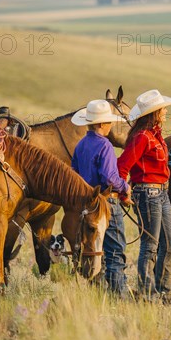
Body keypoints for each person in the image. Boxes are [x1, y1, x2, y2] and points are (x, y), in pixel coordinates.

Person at [117, 89, 171, 298]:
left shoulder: (154, 135)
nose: (165, 112)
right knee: (150, 244)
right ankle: (147, 292)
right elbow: (122, 166)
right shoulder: (143, 137)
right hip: (148, 193)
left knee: (170, 244)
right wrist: (124, 191)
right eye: (163, 110)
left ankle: (162, 290)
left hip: (161, 193)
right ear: (155, 112)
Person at [71, 99, 131, 296]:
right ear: (99, 124)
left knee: (95, 248)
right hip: (106, 202)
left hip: (86, 205)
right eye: (108, 122)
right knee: (115, 249)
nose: (111, 125)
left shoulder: (80, 145)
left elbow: (74, 173)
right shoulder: (104, 145)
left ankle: (98, 293)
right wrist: (125, 187)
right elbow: (110, 177)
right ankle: (119, 296)